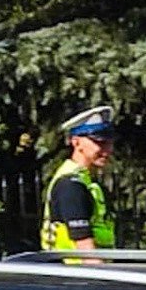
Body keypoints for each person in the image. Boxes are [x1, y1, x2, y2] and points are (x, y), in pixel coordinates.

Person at [41, 105, 117, 251]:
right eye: (100, 143)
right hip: (72, 270)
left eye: (109, 143)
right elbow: (85, 249)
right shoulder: (70, 185)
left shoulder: (86, 181)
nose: (108, 150)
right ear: (76, 143)